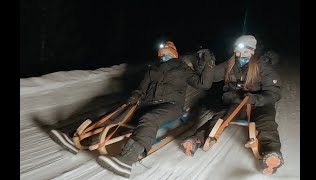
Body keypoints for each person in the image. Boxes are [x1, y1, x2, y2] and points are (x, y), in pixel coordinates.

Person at [50, 41, 215, 178]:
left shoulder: (184, 70)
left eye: (167, 54)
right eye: (161, 55)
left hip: (170, 106)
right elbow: (141, 88)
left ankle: (126, 160)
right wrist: (135, 96)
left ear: (174, 54)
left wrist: (208, 62)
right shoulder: (153, 70)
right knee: (119, 113)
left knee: (150, 119)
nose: (163, 57)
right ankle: (78, 138)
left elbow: (204, 84)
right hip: (146, 104)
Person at [181, 35, 284, 175]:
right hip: (238, 101)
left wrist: (256, 99)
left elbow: (274, 92)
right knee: (222, 117)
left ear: (253, 51)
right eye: (238, 52)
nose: (241, 55)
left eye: (245, 52)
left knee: (266, 121)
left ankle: (272, 153)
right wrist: (205, 63)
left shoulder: (262, 65)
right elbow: (211, 77)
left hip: (260, 102)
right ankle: (197, 139)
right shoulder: (230, 63)